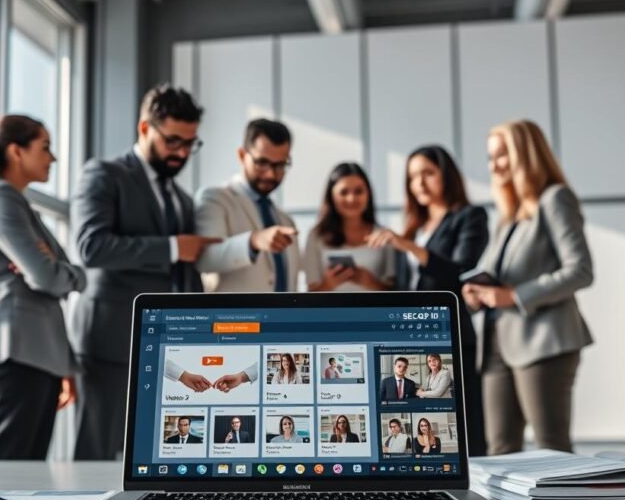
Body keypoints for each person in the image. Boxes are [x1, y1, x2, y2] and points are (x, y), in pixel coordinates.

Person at [70, 84, 220, 460]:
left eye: (190, 143)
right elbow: (91, 246)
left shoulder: (182, 199)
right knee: (97, 455)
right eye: (172, 141)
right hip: (109, 342)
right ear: (143, 128)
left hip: (169, 349)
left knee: (156, 455)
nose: (182, 152)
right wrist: (172, 247)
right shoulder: (104, 174)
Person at [0, 115, 86, 460]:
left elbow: (52, 269)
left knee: (25, 469)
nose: (52, 158)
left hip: (34, 348)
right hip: (14, 345)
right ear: (16, 151)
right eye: (44, 148)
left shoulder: (13, 200)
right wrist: (68, 274)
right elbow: (46, 276)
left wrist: (59, 270)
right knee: (6, 466)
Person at [462, 119, 593, 456]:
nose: (494, 165)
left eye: (502, 155)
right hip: (496, 345)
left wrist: (515, 296)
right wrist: (479, 294)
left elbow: (580, 270)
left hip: (543, 343)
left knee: (552, 446)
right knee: (499, 449)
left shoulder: (555, 200)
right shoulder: (509, 215)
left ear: (526, 153)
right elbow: (499, 277)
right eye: (490, 157)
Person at [367, 145, 488, 456]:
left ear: (446, 175)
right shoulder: (413, 228)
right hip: (412, 335)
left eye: (427, 174)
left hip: (453, 332)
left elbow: (459, 270)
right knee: (416, 411)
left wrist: (407, 246)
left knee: (466, 424)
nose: (419, 183)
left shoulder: (468, 217)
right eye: (412, 177)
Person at [195, 119, 299, 292]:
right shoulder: (214, 199)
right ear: (242, 155)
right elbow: (206, 259)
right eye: (262, 163)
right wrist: (254, 241)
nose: (271, 174)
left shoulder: (286, 221)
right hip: (235, 318)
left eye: (280, 165)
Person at [304, 163, 395, 291]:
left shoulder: (383, 235)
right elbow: (310, 295)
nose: (351, 199)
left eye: (358, 191)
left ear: (368, 194)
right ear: (331, 196)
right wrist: (329, 284)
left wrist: (369, 281)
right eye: (343, 192)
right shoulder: (316, 235)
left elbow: (395, 293)